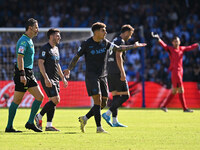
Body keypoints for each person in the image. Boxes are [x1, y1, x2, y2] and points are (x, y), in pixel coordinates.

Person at [64, 22, 146, 133]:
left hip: (103, 76)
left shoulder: (105, 42)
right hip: (91, 76)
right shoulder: (86, 43)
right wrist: (69, 69)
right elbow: (76, 57)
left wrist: (133, 46)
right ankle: (99, 128)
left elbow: (119, 49)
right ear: (96, 32)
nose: (106, 32)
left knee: (103, 102)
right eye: (103, 30)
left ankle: (85, 118)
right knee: (97, 100)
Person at [5, 18, 44, 132]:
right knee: (25, 99)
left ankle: (24, 123)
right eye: (36, 27)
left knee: (34, 98)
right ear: (30, 28)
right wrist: (22, 74)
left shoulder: (29, 40)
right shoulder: (23, 41)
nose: (38, 30)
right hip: (23, 72)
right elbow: (20, 57)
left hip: (27, 72)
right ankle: (17, 125)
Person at [151, 32, 199, 112]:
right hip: (175, 72)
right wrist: (159, 39)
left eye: (177, 41)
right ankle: (185, 108)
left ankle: (164, 106)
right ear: (172, 42)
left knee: (174, 90)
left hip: (180, 71)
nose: (176, 42)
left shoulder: (182, 49)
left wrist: (197, 45)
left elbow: (190, 47)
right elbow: (164, 46)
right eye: (175, 41)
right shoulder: (171, 49)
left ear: (179, 42)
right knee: (180, 89)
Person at [35, 28, 68, 131]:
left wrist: (62, 77)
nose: (59, 37)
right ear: (51, 36)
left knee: (52, 101)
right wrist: (46, 78)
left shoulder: (56, 49)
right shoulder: (45, 48)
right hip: (48, 79)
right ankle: (39, 116)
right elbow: (40, 63)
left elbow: (57, 64)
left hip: (55, 79)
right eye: (57, 35)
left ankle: (49, 125)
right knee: (56, 99)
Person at [102, 25, 134, 127]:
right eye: (130, 34)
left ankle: (115, 121)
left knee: (116, 97)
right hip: (116, 71)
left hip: (110, 71)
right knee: (125, 95)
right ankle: (107, 114)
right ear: (126, 32)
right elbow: (118, 56)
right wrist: (122, 71)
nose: (130, 36)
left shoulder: (114, 40)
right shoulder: (120, 41)